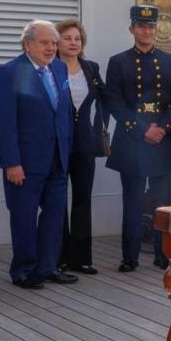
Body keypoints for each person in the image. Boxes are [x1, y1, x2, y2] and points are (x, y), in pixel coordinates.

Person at [0, 20, 76, 289]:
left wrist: (66, 151)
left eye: (54, 42)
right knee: (24, 217)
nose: (51, 48)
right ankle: (24, 270)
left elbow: (62, 115)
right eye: (44, 42)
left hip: (57, 160)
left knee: (54, 216)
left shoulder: (60, 69)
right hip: (25, 162)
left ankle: (48, 267)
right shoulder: (11, 72)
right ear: (28, 44)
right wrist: (12, 161)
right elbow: (4, 121)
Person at [105, 5, 171, 271]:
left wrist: (162, 128)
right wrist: (142, 130)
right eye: (141, 26)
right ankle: (130, 257)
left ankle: (163, 255)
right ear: (132, 29)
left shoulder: (170, 61)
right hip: (132, 142)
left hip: (162, 140)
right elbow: (115, 102)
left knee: (163, 202)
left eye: (151, 27)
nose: (146, 31)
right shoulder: (118, 62)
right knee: (133, 200)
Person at [56, 18, 109, 275]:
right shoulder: (50, 67)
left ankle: (81, 258)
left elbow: (105, 98)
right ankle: (60, 257)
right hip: (57, 142)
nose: (73, 43)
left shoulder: (90, 68)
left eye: (77, 38)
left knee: (82, 199)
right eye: (67, 38)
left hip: (84, 142)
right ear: (57, 42)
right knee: (56, 200)